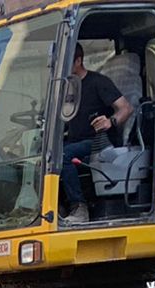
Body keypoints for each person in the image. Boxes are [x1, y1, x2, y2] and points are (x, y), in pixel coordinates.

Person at [58, 43, 133, 225]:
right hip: (75, 140)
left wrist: (110, 121)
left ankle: (80, 208)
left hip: (97, 141)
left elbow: (126, 108)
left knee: (63, 156)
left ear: (78, 60)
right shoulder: (67, 87)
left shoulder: (98, 82)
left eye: (67, 61)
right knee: (45, 153)